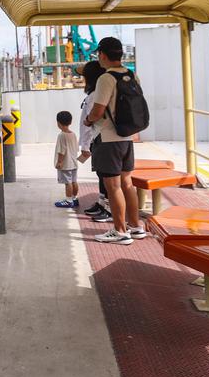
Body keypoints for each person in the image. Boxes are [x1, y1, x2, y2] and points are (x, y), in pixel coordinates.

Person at [83, 37, 147, 244]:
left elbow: (98, 109)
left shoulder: (105, 78)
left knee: (113, 186)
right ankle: (136, 226)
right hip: (127, 137)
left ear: (102, 54)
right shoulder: (131, 74)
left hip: (108, 138)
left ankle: (120, 231)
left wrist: (88, 120)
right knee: (127, 183)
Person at [76, 60, 110, 219]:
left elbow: (91, 122)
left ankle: (108, 209)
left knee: (105, 176)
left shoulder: (95, 96)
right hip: (98, 141)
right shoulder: (95, 94)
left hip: (99, 140)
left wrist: (85, 145)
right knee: (102, 175)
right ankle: (102, 204)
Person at [53, 111, 80, 208]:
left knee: (67, 183)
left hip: (65, 164)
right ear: (70, 122)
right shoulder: (73, 134)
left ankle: (68, 201)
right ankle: (74, 198)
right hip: (74, 162)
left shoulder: (61, 135)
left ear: (58, 123)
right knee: (74, 181)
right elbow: (76, 148)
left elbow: (61, 151)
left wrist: (59, 162)